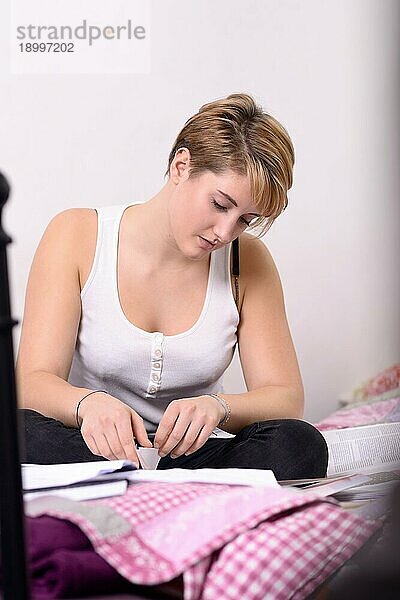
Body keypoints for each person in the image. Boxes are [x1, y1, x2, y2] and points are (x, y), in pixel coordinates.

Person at [17, 93, 328, 479]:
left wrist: (217, 407)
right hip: (91, 448)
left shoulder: (248, 262)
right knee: (17, 432)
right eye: (219, 204)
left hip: (195, 457)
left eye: (245, 219)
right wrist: (88, 405)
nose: (224, 233)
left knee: (299, 443)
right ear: (181, 166)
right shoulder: (76, 235)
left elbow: (284, 396)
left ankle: (145, 490)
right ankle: (173, 493)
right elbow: (31, 384)